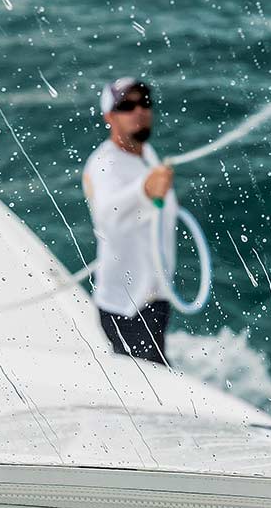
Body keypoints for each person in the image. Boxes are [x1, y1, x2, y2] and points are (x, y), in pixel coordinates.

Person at [82, 77, 177, 365]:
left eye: (144, 102)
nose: (139, 110)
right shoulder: (103, 165)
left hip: (152, 297)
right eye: (127, 105)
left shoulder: (146, 153)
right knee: (154, 390)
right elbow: (106, 216)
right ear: (109, 117)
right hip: (127, 308)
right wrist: (144, 190)